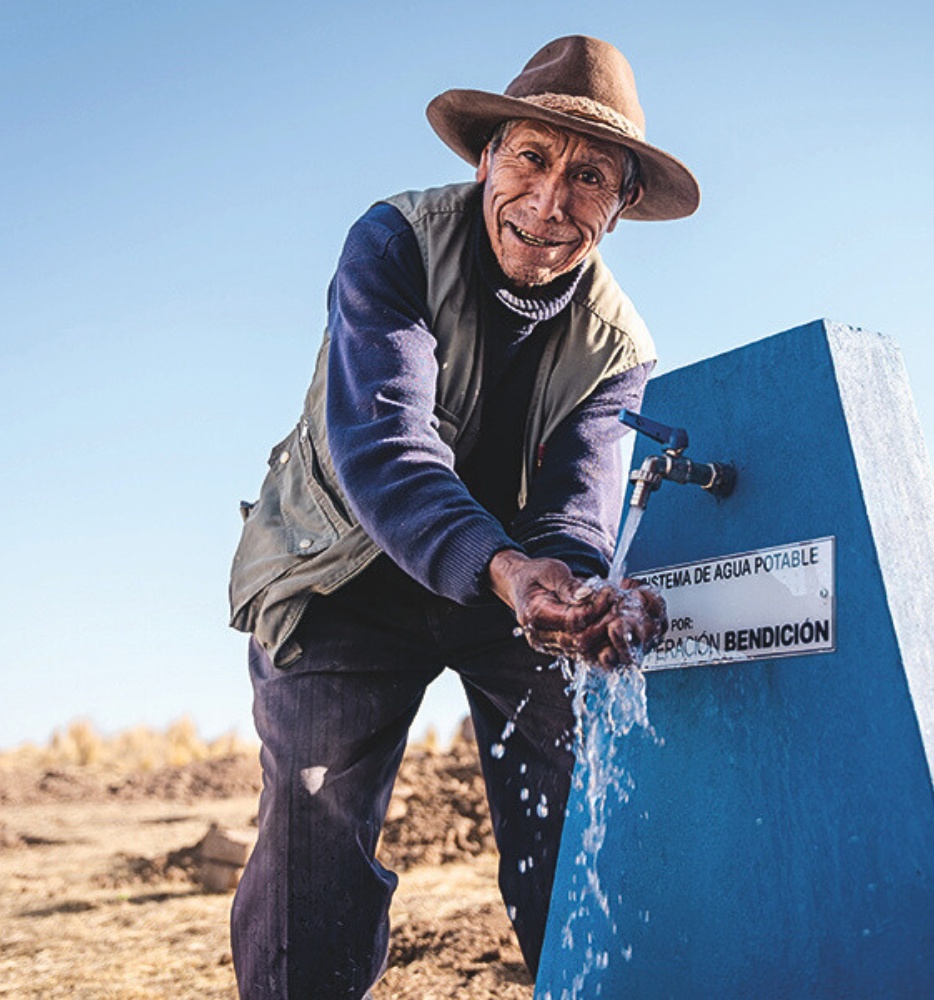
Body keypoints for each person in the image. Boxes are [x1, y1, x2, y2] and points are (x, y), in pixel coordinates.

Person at [225, 35, 697, 999]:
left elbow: (577, 510)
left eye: (590, 177)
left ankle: (581, 981)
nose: (551, 199)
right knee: (312, 825)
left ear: (624, 204)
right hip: (345, 572)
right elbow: (384, 448)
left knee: (576, 805)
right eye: (531, 157)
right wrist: (507, 566)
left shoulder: (620, 347)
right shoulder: (393, 240)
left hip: (508, 591)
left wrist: (561, 583)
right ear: (487, 157)